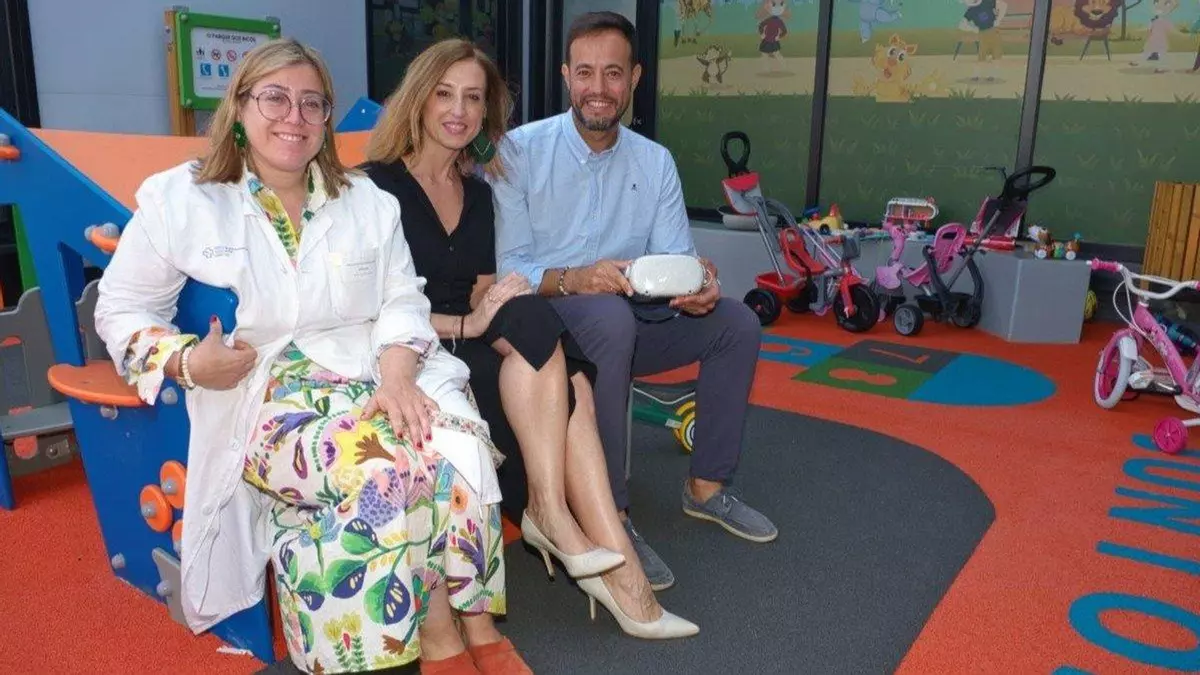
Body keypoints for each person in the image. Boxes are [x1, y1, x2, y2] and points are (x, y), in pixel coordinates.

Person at [93, 38, 528, 675]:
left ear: (326, 118)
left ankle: (455, 635)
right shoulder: (182, 199)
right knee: (381, 473)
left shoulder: (366, 202)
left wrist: (399, 374)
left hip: (371, 369)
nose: (293, 117)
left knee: (452, 449)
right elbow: (120, 307)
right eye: (274, 98)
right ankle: (373, 653)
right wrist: (184, 361)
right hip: (265, 390)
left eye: (311, 103)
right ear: (239, 108)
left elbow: (403, 296)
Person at [360, 38, 698, 640]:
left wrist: (492, 312)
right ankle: (616, 573)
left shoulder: (479, 191)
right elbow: (370, 311)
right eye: (444, 94)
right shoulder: (373, 188)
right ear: (418, 99)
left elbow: (481, 292)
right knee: (569, 384)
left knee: (549, 343)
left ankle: (566, 524)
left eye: (473, 98)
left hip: (469, 336)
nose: (459, 111)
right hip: (409, 345)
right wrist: (469, 325)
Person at [489, 11, 778, 591]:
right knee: (608, 315)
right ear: (566, 76)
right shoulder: (519, 152)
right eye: (586, 72)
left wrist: (697, 284)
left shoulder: (655, 160)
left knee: (738, 323)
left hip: (633, 315)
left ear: (634, 78)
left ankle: (706, 488)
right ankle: (612, 516)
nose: (599, 88)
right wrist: (580, 278)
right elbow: (509, 268)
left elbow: (673, 258)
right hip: (549, 315)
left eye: (613, 73)